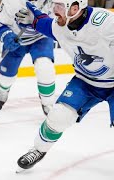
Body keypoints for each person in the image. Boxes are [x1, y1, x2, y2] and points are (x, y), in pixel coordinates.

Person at [14, 0, 114, 172]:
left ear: (74, 8)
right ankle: (39, 149)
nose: (54, 9)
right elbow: (43, 23)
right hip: (84, 82)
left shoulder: (104, 22)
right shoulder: (60, 26)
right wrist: (32, 19)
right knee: (58, 117)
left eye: (59, 5)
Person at [0, 0, 56, 115]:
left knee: (44, 66)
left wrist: (37, 21)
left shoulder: (52, 2)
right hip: (17, 38)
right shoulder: (11, 2)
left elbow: (57, 24)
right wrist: (7, 36)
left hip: (41, 38)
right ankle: (4, 89)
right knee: (6, 74)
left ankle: (47, 102)